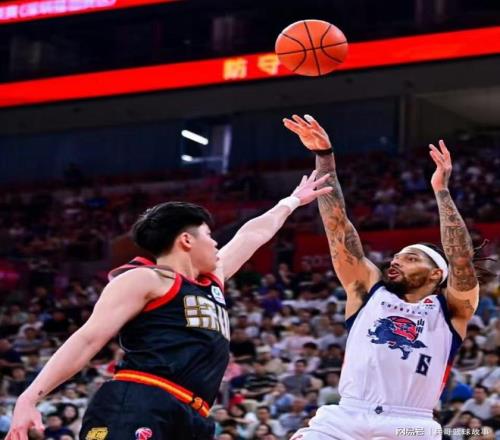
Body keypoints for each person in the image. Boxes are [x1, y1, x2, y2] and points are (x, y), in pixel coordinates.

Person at [6, 172, 332, 440]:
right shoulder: (144, 279)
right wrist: (30, 397)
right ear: (186, 240)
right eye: (209, 235)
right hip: (141, 401)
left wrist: (291, 201)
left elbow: (251, 235)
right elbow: (87, 339)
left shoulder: (212, 281)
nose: (216, 243)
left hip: (194, 415)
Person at [284, 114, 483, 439]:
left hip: (409, 425)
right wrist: (324, 156)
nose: (396, 261)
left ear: (436, 273)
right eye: (396, 256)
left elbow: (461, 258)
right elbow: (337, 226)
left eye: (410, 258)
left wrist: (442, 191)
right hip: (345, 416)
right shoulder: (369, 289)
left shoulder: (451, 310)